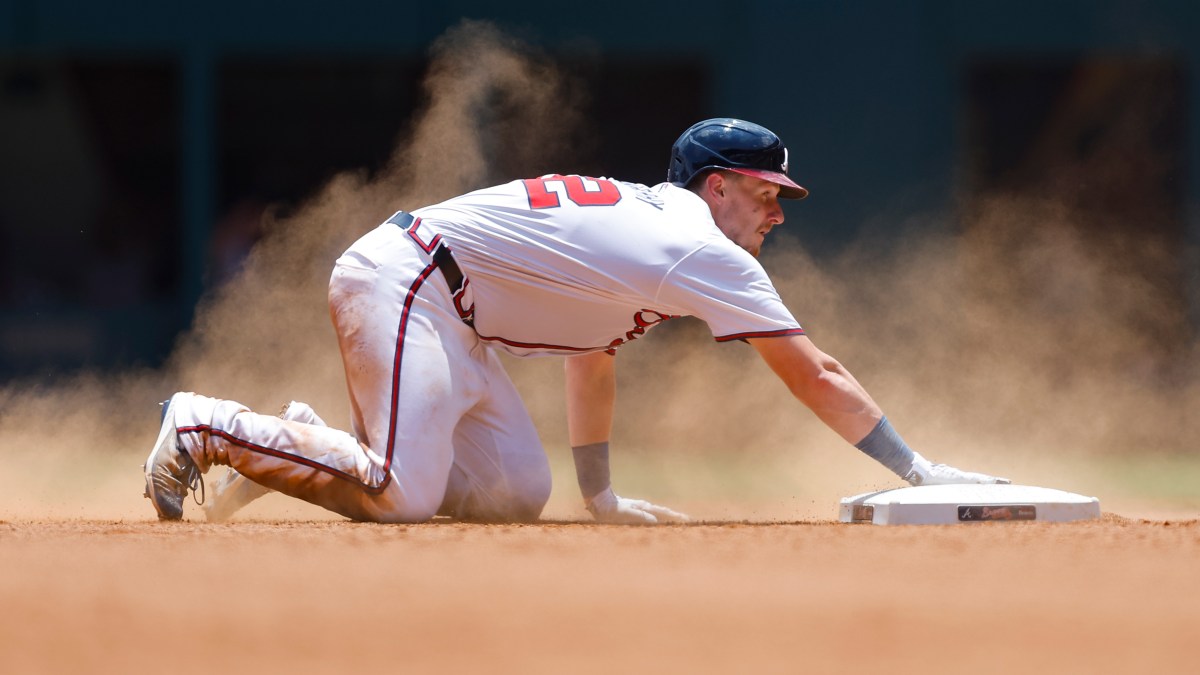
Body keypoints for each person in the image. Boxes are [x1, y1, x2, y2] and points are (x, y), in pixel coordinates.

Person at [144, 118, 1008, 524]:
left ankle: (313, 442)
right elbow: (814, 372)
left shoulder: (655, 228)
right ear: (717, 187)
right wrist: (917, 470)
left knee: (518, 492)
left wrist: (599, 495)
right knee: (401, 494)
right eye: (765, 190)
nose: (778, 210)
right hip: (405, 278)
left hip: (446, 307)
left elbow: (592, 356)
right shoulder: (697, 246)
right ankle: (206, 425)